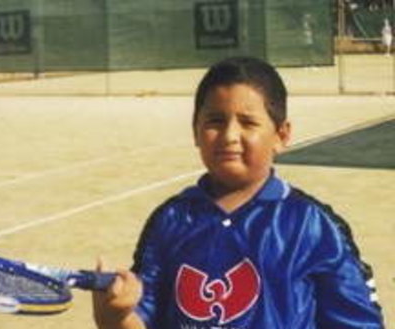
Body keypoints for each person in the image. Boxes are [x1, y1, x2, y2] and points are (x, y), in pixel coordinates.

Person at [92, 57, 385, 329]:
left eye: (248, 123)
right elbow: (144, 318)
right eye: (215, 121)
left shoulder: (313, 226)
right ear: (195, 131)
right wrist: (115, 315)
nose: (230, 135)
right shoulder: (171, 219)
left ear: (281, 136)